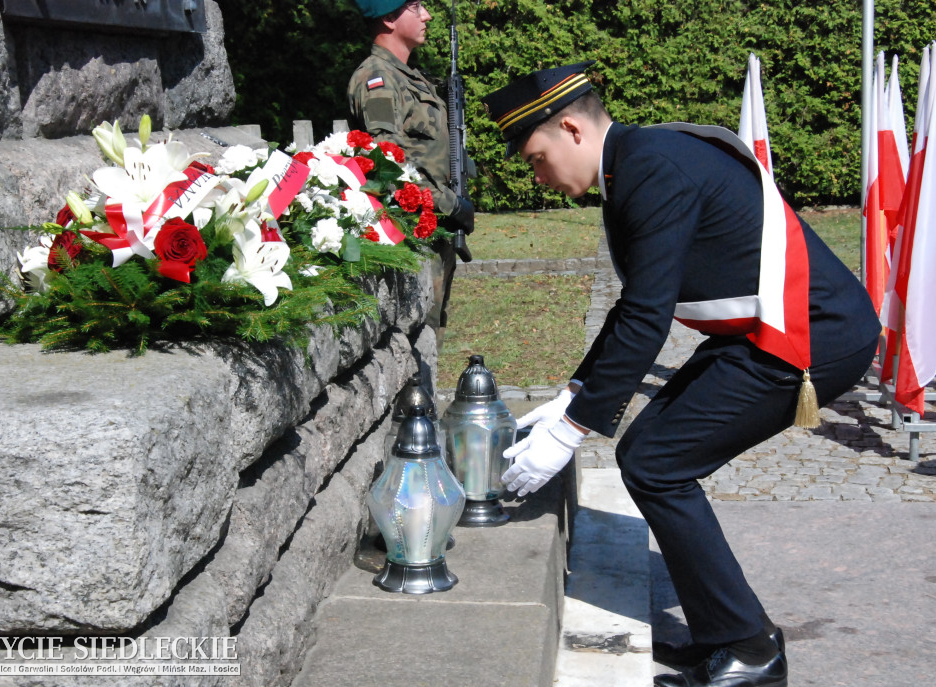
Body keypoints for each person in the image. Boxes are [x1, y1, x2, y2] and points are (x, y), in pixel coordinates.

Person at [484, 62, 880, 687]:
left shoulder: (647, 166)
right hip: (761, 330)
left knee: (657, 465)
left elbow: (648, 317)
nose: (539, 177)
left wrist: (570, 433)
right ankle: (729, 636)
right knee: (648, 456)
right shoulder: (632, 163)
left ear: (570, 128)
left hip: (810, 335)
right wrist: (572, 396)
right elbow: (634, 304)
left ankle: (750, 649)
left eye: (536, 158)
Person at [348, 0, 474, 353]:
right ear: (388, 17)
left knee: (433, 333)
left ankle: (427, 406)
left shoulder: (409, 76)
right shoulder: (378, 79)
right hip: (410, 233)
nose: (427, 16)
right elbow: (387, 163)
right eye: (416, 7)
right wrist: (452, 204)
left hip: (434, 228)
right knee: (415, 341)